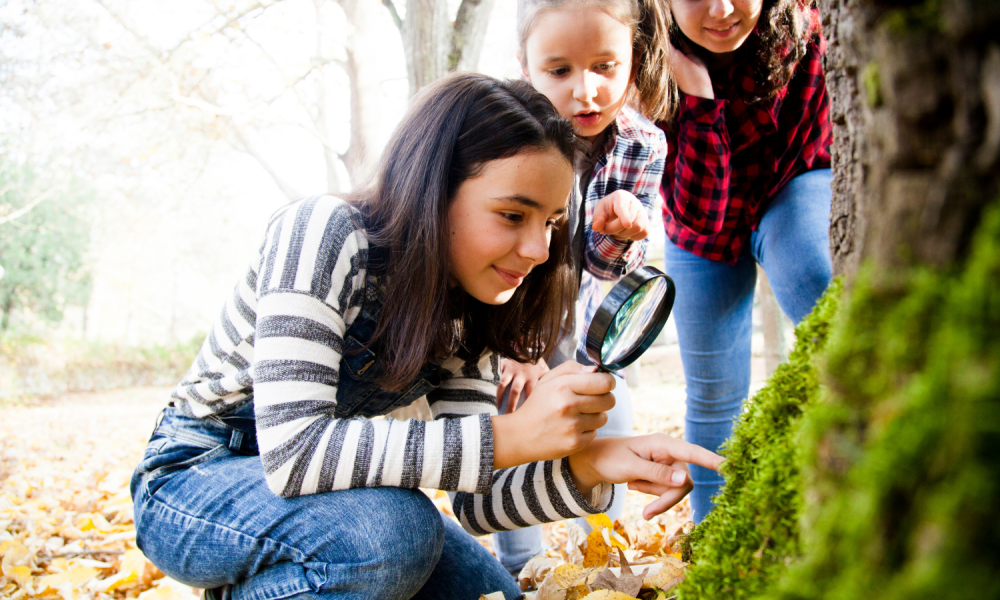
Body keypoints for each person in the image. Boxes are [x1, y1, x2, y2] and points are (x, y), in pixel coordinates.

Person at [129, 72, 722, 600]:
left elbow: (477, 501)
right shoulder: (322, 232)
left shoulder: (473, 304)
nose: (540, 250)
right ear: (434, 189)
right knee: (391, 535)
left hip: (329, 499)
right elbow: (295, 454)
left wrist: (590, 466)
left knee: (487, 591)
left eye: (551, 223)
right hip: (195, 478)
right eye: (513, 216)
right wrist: (511, 434)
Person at [490, 0, 673, 575]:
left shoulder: (642, 145)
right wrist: (520, 347)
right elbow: (498, 251)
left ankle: (604, 556)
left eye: (604, 67)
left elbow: (604, 268)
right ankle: (521, 568)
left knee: (602, 419)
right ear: (526, 68)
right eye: (560, 70)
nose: (585, 91)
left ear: (632, 62)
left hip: (589, 319)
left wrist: (621, 231)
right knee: (515, 424)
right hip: (514, 311)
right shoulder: (506, 139)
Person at [658, 0, 833, 522]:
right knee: (713, 397)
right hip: (700, 231)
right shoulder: (644, 58)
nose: (721, 9)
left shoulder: (803, 28)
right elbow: (701, 216)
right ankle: (714, 536)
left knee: (810, 270)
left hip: (792, 182)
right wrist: (696, 94)